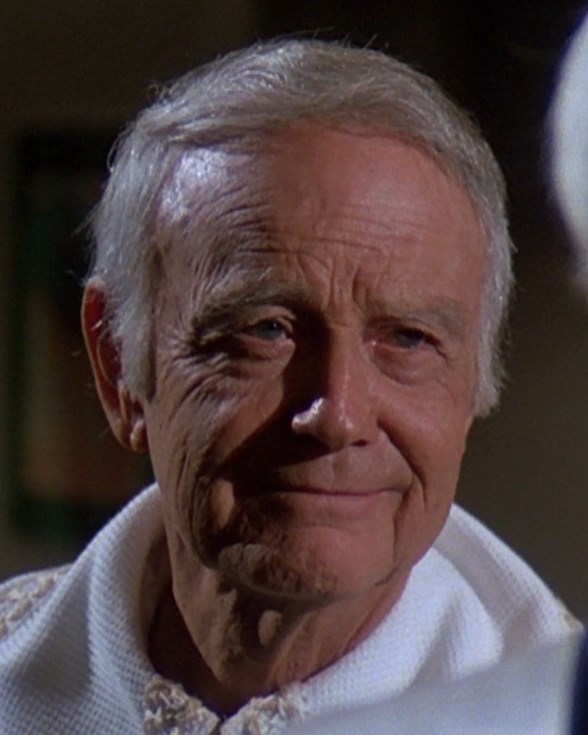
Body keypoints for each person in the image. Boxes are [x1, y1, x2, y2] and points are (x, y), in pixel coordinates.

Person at [0, 39, 577, 734]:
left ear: (473, 384)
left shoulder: (548, 713)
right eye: (265, 330)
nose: (338, 413)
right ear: (118, 363)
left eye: (407, 339)